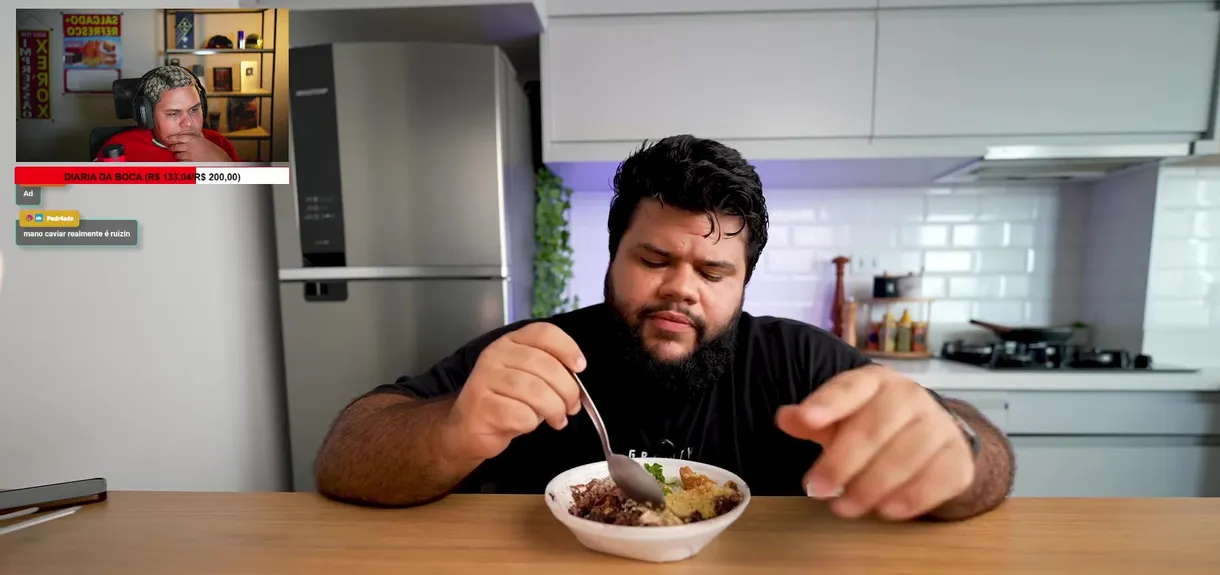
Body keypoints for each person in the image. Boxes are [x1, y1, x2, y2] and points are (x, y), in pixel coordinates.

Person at [315, 135, 1015, 522]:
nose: (681, 287)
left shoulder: (796, 361)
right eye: (654, 260)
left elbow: (987, 467)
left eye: (713, 272)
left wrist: (955, 442)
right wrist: (450, 430)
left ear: (743, 283)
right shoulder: (536, 356)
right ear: (612, 257)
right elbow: (344, 455)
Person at [94, 65, 241, 163]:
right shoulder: (119, 149)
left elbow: (247, 196)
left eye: (194, 109)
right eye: (174, 114)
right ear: (148, 116)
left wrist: (223, 162)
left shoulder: (219, 143)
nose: (188, 122)